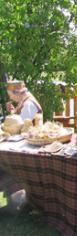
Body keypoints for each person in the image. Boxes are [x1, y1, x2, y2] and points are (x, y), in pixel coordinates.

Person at [0, 80, 42, 214]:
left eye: (11, 95)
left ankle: (18, 197)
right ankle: (15, 196)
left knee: (8, 163)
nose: (10, 98)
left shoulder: (28, 103)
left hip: (31, 145)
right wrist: (13, 112)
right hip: (26, 143)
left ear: (17, 93)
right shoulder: (24, 102)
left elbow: (23, 128)